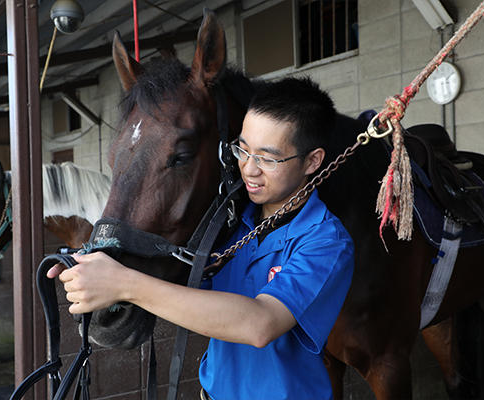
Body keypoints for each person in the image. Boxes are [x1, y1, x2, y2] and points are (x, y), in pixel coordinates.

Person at [48, 77, 354, 400]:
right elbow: (181, 280)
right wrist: (97, 263)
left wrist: (124, 283)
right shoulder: (234, 219)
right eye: (243, 149)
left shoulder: (325, 241)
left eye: (267, 158)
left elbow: (260, 323)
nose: (249, 169)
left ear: (313, 161)